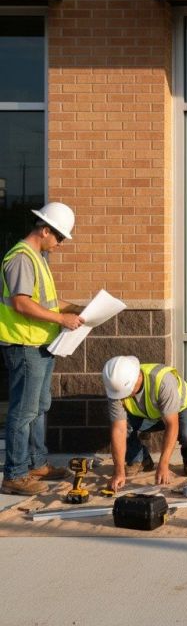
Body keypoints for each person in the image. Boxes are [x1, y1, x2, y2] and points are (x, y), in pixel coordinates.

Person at [0, 203, 84, 496]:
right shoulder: (21, 258)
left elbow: (46, 300)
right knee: (23, 412)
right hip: (25, 345)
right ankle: (14, 474)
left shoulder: (38, 258)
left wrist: (75, 309)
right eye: (59, 237)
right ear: (44, 229)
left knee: (38, 407)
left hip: (41, 345)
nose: (60, 244)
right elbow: (22, 303)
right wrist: (62, 318)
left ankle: (36, 463)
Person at [102, 355, 187, 491]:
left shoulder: (162, 381)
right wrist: (119, 471)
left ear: (138, 377)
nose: (122, 395)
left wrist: (164, 464)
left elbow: (172, 425)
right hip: (148, 415)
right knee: (124, 428)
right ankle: (140, 459)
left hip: (180, 410)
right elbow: (118, 430)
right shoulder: (117, 388)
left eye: (126, 391)